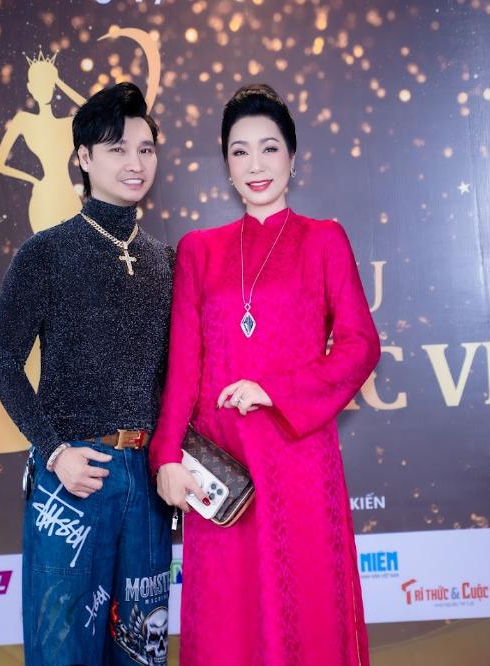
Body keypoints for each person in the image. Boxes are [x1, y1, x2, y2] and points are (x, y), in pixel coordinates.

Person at [150, 83, 381, 665]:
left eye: (269, 148)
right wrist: (167, 455)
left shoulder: (323, 239)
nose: (256, 165)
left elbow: (360, 346)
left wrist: (275, 391)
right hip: (224, 471)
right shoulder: (199, 250)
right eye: (240, 151)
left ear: (293, 157)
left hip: (299, 458)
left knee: (307, 611)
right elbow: (183, 365)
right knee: (228, 623)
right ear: (226, 165)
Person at [0, 82, 174, 666]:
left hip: (147, 483)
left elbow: (174, 378)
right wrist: (54, 452)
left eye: (145, 149)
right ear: (84, 158)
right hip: (71, 481)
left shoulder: (166, 262)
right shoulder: (45, 253)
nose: (135, 163)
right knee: (62, 653)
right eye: (117, 149)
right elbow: (3, 362)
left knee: (142, 653)